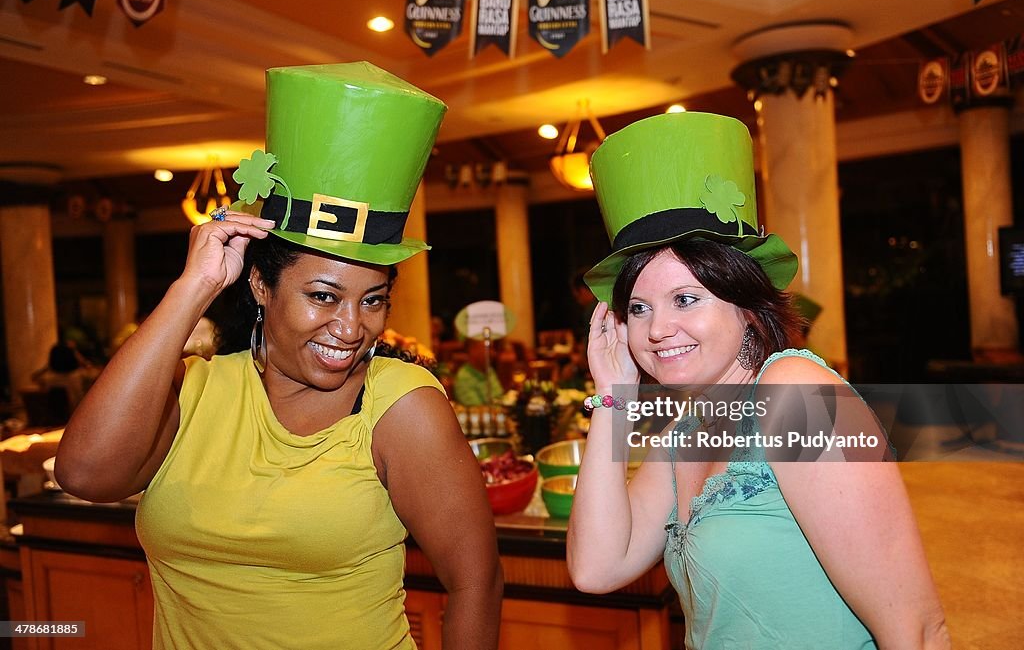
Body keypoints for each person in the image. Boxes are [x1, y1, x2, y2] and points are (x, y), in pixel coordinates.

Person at [56, 62, 502, 650]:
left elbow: (476, 581)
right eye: (322, 296)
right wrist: (194, 288)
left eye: (374, 300)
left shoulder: (400, 404)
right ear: (261, 286)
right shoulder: (195, 388)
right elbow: (85, 476)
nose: (350, 327)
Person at [567, 112, 949, 649]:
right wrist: (612, 397)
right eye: (639, 307)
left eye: (685, 299)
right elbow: (597, 568)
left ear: (746, 305)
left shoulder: (795, 394)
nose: (656, 330)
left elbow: (917, 631)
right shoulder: (687, 427)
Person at [31, 341, 96, 411]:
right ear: (72, 357)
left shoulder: (48, 379)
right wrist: (78, 356)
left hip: (57, 417)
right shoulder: (81, 376)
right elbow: (96, 375)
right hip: (78, 415)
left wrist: (47, 366)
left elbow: (34, 377)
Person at [453, 336, 504, 406]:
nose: (493, 353)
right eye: (488, 348)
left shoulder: (490, 370)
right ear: (473, 350)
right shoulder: (464, 377)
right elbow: (476, 409)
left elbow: (500, 397)